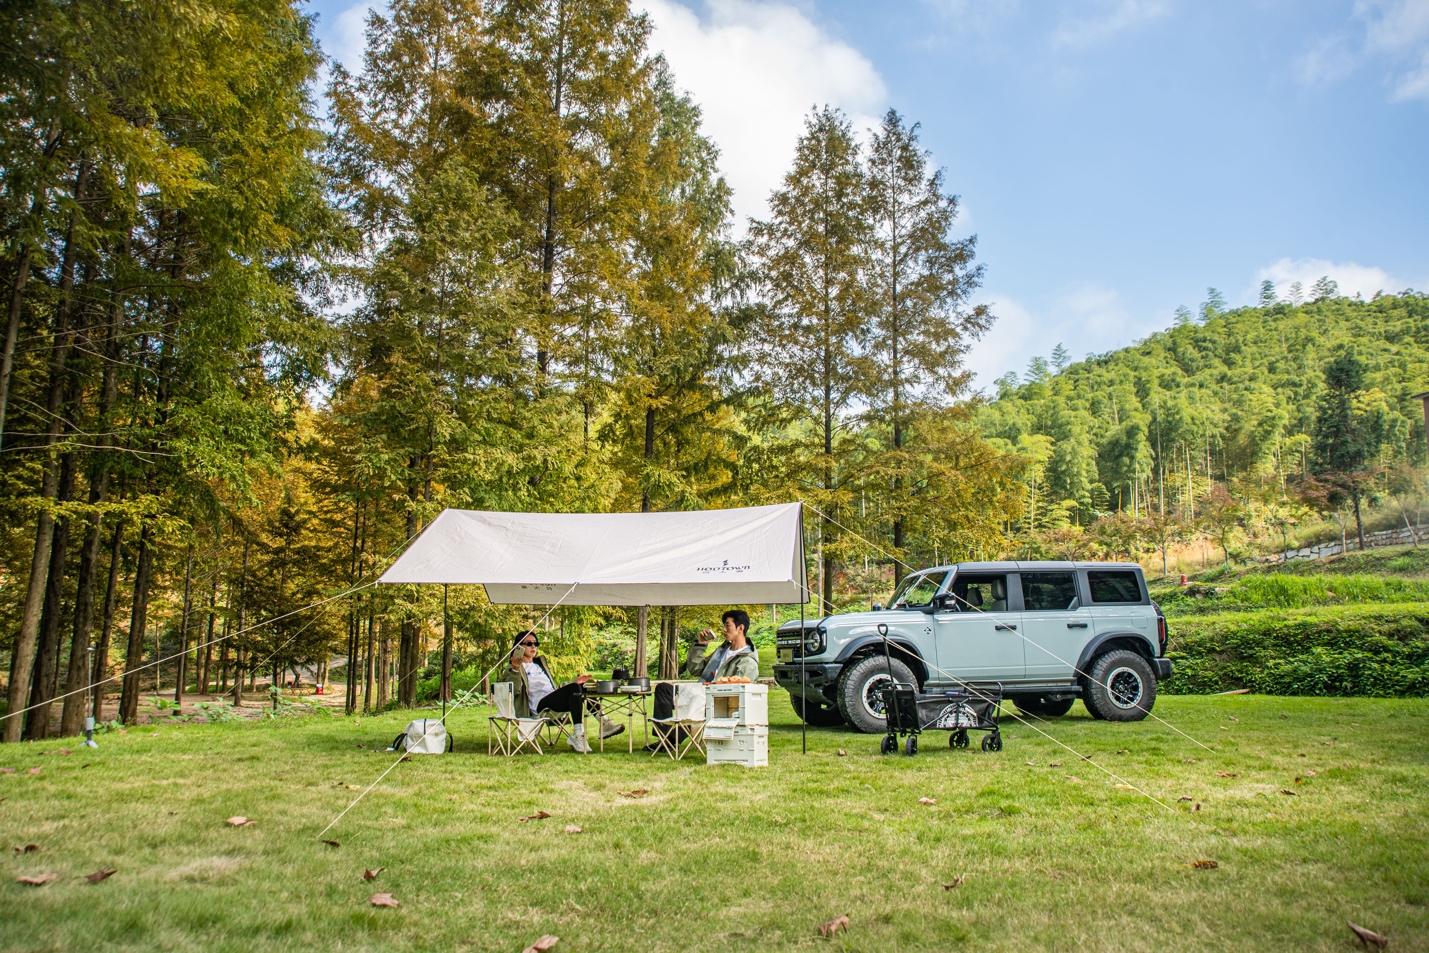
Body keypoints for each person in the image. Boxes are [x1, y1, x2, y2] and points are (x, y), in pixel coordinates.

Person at [646, 609, 758, 752]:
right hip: (699, 691)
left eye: (727, 625)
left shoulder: (748, 660)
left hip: (715, 700)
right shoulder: (722, 650)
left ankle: (669, 741)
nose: (724, 629)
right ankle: (667, 739)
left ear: (740, 628)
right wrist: (700, 644)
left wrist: (713, 686)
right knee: (663, 689)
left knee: (695, 700)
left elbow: (740, 689)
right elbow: (696, 670)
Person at [507, 631, 623, 754]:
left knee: (582, 685)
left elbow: (552, 689)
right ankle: (578, 734)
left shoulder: (540, 664)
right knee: (574, 688)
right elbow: (512, 690)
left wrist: (574, 682)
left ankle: (604, 723)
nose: (533, 647)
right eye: (529, 643)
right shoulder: (513, 668)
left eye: (536, 644)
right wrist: (515, 670)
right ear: (519, 646)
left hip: (552, 701)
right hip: (538, 707)